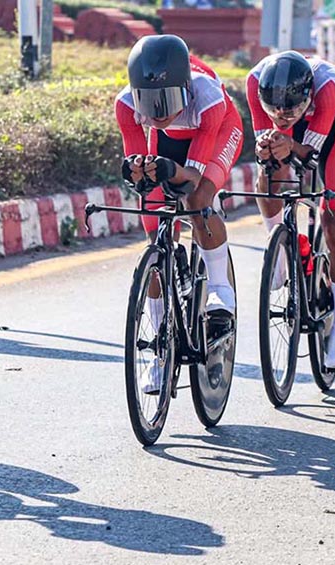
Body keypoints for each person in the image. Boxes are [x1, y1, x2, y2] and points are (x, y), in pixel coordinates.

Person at [115, 34, 243, 392]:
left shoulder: (208, 97)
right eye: (148, 101)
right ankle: (159, 347)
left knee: (197, 199)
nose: (158, 112)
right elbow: (139, 166)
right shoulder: (126, 106)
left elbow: (192, 176)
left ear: (185, 87)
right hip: (169, 144)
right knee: (154, 225)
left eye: (167, 100)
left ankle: (219, 287)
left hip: (215, 134)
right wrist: (140, 175)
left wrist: (174, 173)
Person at [246, 51, 335, 369]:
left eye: (291, 109)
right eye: (274, 110)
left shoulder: (328, 86)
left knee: (334, 222)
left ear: (306, 96)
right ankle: (280, 250)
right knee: (268, 174)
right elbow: (269, 151)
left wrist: (289, 143)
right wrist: (272, 146)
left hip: (333, 130)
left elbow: (309, 155)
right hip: (296, 134)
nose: (281, 116)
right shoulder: (254, 81)